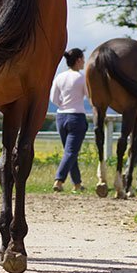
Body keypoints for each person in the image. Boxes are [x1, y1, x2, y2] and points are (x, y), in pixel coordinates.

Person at [50, 48, 88, 193]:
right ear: (78, 60)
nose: (84, 61)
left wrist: (63, 105)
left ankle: (77, 184)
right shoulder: (81, 77)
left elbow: (53, 98)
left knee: (69, 152)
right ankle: (59, 180)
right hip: (76, 116)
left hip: (61, 116)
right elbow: (89, 96)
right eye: (83, 59)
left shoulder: (60, 77)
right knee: (71, 152)